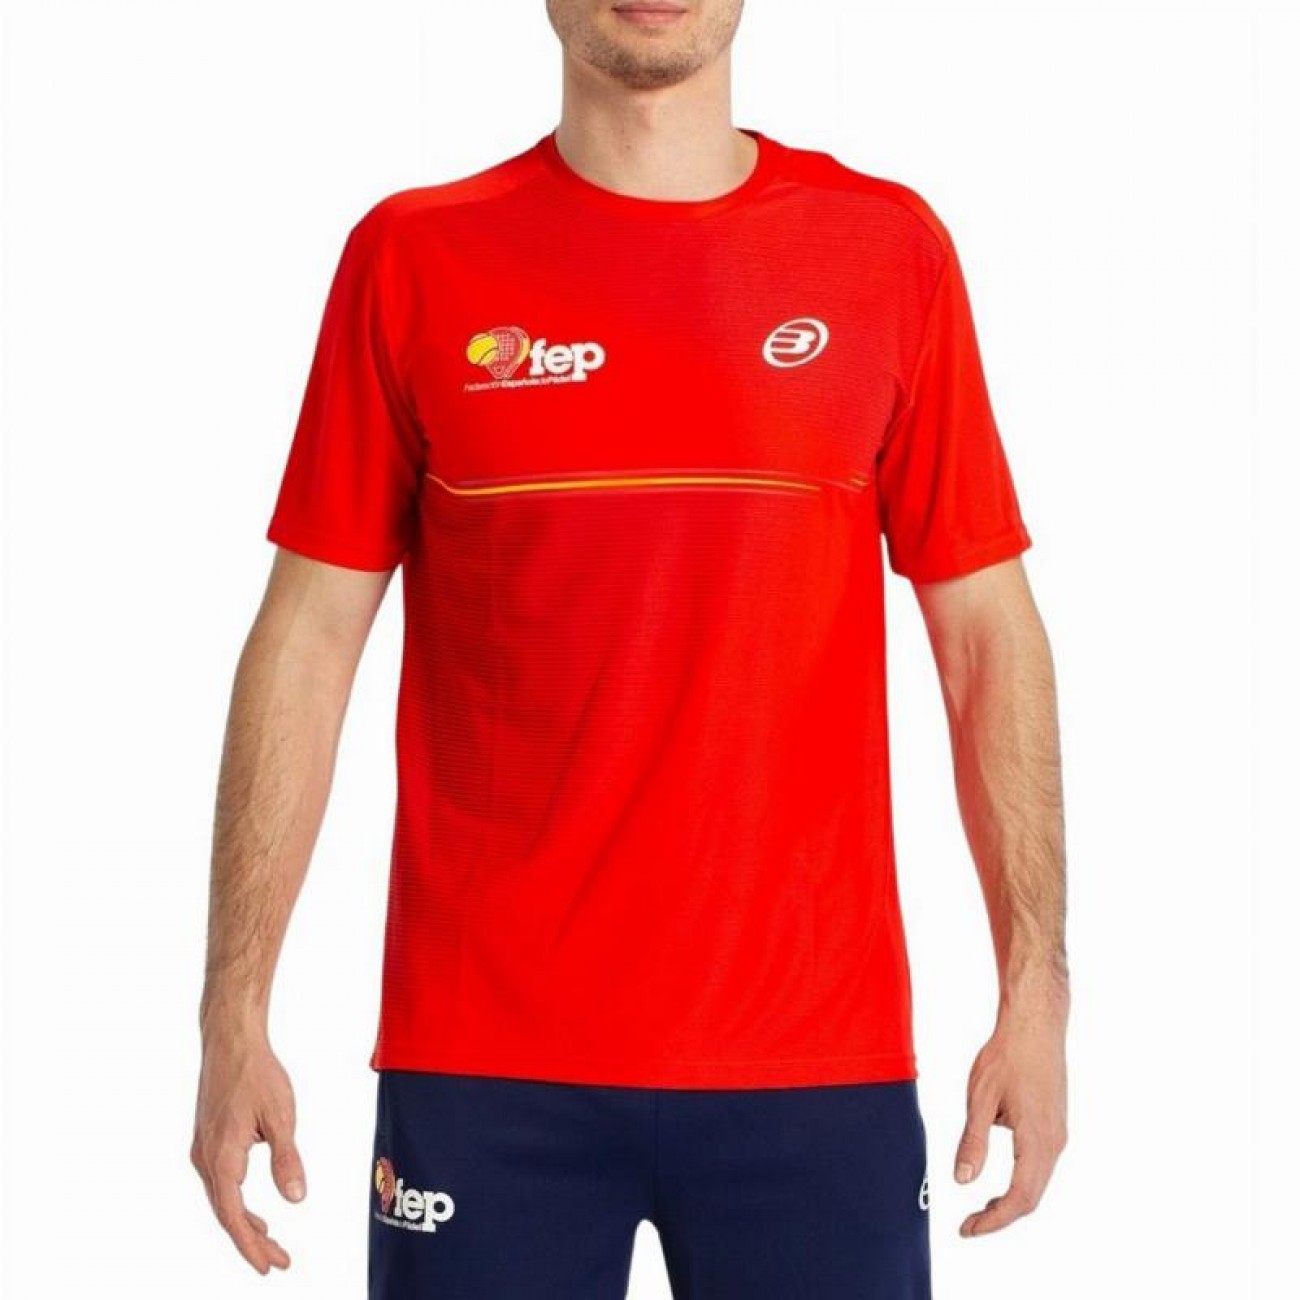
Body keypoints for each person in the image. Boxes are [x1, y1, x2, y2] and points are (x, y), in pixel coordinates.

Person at [189, 1, 1069, 1295]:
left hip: (813, 1062)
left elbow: (985, 635)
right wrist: (231, 1009)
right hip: (485, 1065)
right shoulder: (412, 258)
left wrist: (1036, 996)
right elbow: (308, 640)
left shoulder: (886, 253)